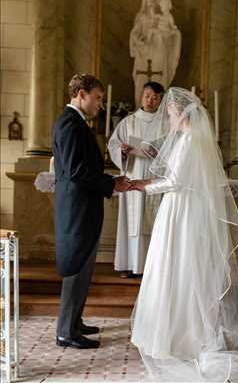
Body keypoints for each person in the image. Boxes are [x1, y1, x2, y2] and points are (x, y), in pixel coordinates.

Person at [130, 88, 238, 381]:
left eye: (170, 113)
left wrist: (139, 185)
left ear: (181, 112)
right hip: (183, 209)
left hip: (179, 211)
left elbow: (173, 181)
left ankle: (178, 339)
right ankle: (177, 335)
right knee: (180, 268)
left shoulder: (188, 141)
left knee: (175, 268)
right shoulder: (195, 140)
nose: (168, 119)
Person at [52, 74, 130, 349]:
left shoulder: (76, 123)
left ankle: (74, 322)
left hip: (83, 206)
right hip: (77, 209)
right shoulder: (69, 124)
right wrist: (110, 183)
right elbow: (76, 171)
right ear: (81, 94)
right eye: (97, 98)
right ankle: (65, 332)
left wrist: (110, 182)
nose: (100, 104)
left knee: (83, 265)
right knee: (76, 265)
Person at [108, 81, 167, 278]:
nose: (150, 100)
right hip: (133, 174)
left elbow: (172, 151)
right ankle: (129, 264)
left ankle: (151, 267)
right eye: (147, 95)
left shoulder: (166, 123)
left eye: (155, 97)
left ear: (161, 100)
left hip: (154, 177)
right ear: (142, 96)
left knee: (152, 221)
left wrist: (155, 153)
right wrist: (122, 151)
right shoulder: (129, 122)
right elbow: (113, 145)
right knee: (131, 222)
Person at [129, 0, 181, 107]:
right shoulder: (141, 17)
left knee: (159, 80)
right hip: (144, 52)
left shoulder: (164, 16)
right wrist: (139, 41)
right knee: (141, 82)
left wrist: (170, 34)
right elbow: (134, 34)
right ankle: (139, 110)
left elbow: (173, 32)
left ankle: (158, 112)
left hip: (159, 51)